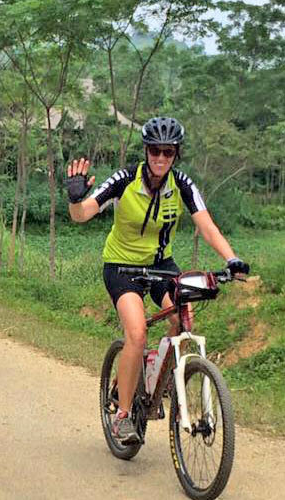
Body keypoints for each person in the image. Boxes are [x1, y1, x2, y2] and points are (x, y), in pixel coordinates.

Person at [66, 117, 249, 444]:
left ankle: (159, 375)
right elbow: (83, 215)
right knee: (136, 334)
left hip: (161, 265)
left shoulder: (182, 184)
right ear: (146, 150)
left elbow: (206, 226)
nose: (161, 157)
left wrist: (231, 259)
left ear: (176, 154)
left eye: (168, 151)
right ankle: (122, 416)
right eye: (155, 150)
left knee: (182, 319)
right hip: (121, 268)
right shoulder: (125, 180)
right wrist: (75, 199)